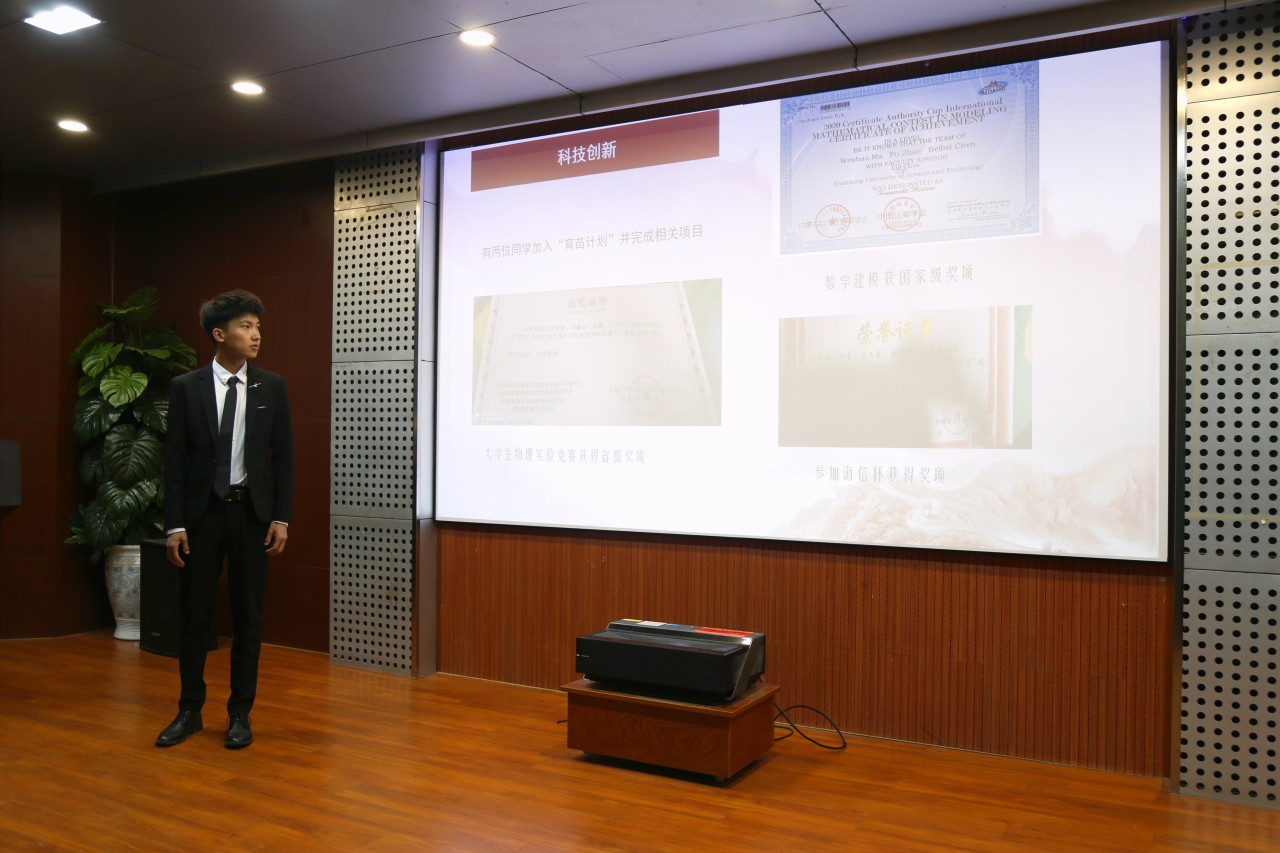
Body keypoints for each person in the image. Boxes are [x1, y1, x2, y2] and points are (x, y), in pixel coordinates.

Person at [155, 290, 294, 750]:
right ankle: (189, 710)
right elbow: (174, 462)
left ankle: (239, 713)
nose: (256, 335)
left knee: (248, 616)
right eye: (245, 326)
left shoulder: (271, 386)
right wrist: (175, 525)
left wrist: (281, 517)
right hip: (202, 517)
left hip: (252, 515)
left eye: (258, 326)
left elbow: (283, 459)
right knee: (194, 615)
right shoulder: (186, 387)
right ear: (219, 334)